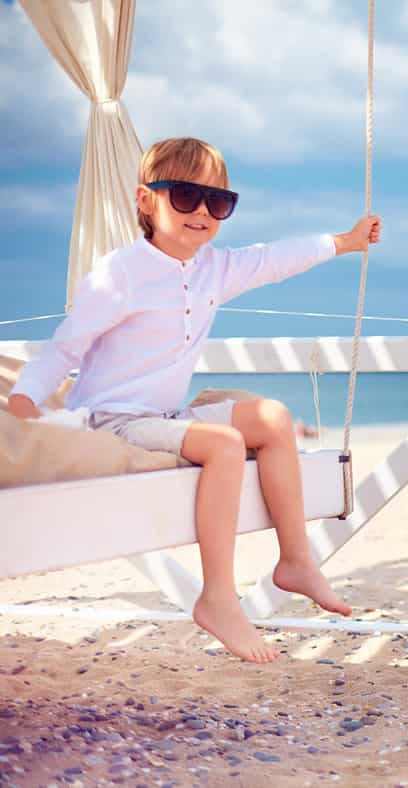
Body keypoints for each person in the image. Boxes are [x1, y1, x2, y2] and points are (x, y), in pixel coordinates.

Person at [7, 137, 383, 663]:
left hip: (165, 416)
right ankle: (218, 597)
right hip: (112, 421)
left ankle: (296, 561)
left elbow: (276, 258)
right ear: (146, 200)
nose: (203, 211)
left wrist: (346, 241)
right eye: (185, 196)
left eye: (218, 201)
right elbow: (63, 348)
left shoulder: (214, 269)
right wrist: (22, 408)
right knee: (225, 444)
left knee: (273, 418)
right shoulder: (120, 274)